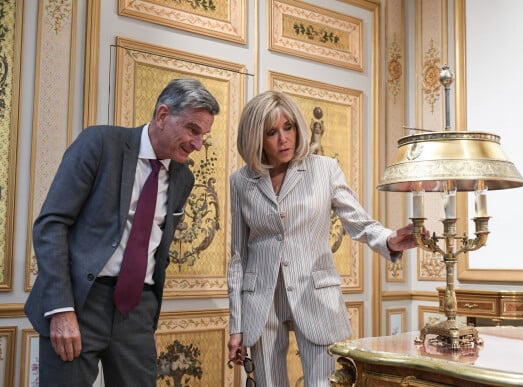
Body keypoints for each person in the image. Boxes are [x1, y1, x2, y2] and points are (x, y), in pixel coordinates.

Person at [24, 78, 220, 386]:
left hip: (136, 310)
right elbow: (51, 225)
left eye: (203, 135)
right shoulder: (99, 144)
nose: (198, 144)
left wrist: (146, 320)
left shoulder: (184, 178)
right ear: (162, 115)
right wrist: (61, 309)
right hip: (80, 302)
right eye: (192, 130)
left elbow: (157, 247)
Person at [226, 90, 422, 386]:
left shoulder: (324, 169)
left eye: (288, 127)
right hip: (261, 300)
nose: (283, 139)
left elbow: (358, 221)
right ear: (256, 138)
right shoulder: (241, 181)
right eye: (272, 132)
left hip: (316, 295)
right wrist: (236, 324)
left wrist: (390, 239)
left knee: (325, 384)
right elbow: (238, 257)